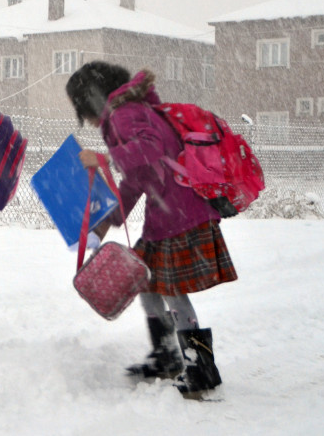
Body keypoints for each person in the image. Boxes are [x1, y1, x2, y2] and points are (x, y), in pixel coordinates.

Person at [65, 61, 237, 397]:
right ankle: (167, 354)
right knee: (147, 281)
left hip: (179, 214)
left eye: (81, 108)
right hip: (169, 213)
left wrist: (102, 158)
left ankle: (199, 367)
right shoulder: (129, 112)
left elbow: (150, 149)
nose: (84, 118)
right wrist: (107, 223)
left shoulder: (124, 114)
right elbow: (137, 179)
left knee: (172, 290)